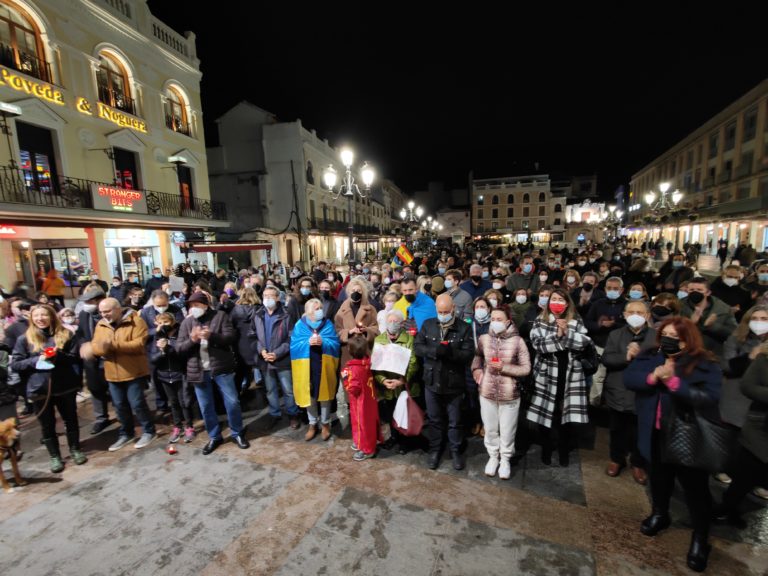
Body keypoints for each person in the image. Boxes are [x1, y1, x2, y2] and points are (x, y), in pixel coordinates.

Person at [623, 317, 722, 573]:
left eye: (675, 336)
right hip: (655, 432)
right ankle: (660, 513)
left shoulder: (704, 363)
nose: (668, 339)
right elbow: (630, 378)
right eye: (664, 334)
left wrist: (674, 383)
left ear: (688, 339)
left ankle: (700, 538)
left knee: (695, 489)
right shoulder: (650, 355)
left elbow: (708, 397)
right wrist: (654, 376)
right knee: (659, 478)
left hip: (686, 435)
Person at [10, 304, 86, 472]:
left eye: (44, 315)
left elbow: (75, 359)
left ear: (52, 316)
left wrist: (58, 355)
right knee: (47, 424)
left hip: (65, 386)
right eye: (36, 315)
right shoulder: (25, 339)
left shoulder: (66, 334)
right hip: (40, 389)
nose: (40, 319)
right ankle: (55, 456)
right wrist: (36, 360)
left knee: (71, 419)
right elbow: (16, 363)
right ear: (32, 318)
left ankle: (75, 449)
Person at [176, 292, 249, 455]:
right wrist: (192, 340)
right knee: (206, 406)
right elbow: (179, 348)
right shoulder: (187, 323)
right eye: (191, 306)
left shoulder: (220, 316)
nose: (193, 308)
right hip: (198, 371)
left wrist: (212, 336)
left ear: (205, 305)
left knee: (232, 402)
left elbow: (231, 337)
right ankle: (214, 436)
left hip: (221, 368)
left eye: (197, 305)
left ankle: (237, 432)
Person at [527, 288, 592, 466]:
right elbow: (538, 344)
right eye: (553, 298)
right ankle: (546, 447)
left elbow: (584, 342)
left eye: (560, 299)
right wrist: (558, 336)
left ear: (567, 303)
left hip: (570, 373)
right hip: (546, 373)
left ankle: (564, 449)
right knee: (546, 412)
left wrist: (567, 333)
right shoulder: (541, 320)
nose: (556, 302)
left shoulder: (575, 320)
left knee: (565, 415)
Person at [414, 293, 474, 471]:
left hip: (453, 382)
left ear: (453, 309)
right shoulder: (428, 325)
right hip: (432, 380)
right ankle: (435, 450)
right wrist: (435, 351)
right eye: (440, 311)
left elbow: (468, 354)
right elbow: (418, 346)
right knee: (434, 419)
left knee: (455, 420)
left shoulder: (463, 328)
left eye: (446, 311)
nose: (442, 314)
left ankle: (455, 450)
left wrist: (451, 353)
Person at [471, 307, 531, 479]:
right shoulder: (484, 339)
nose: (495, 322)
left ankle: (505, 460)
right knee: (490, 429)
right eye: (493, 319)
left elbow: (526, 368)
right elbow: (477, 359)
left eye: (499, 319)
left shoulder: (518, 341)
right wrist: (476, 371)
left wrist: (504, 368)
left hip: (509, 393)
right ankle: (493, 457)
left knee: (507, 430)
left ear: (508, 321)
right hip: (487, 392)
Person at [601, 299, 656, 485]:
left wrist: (639, 356)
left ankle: (638, 463)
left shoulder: (657, 337)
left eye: (640, 313)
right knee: (617, 429)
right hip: (618, 389)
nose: (635, 316)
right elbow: (607, 358)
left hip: (644, 392)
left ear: (647, 316)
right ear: (624, 315)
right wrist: (626, 356)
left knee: (640, 430)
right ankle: (616, 459)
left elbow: (662, 364)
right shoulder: (616, 334)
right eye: (631, 312)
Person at [90, 298, 156, 452]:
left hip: (134, 371)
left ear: (118, 309)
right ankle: (126, 433)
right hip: (112, 373)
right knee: (119, 406)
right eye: (101, 312)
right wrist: (100, 349)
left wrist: (112, 345)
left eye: (107, 311)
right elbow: (96, 345)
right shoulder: (101, 324)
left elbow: (139, 344)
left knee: (137, 403)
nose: (104, 315)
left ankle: (149, 430)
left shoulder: (136, 321)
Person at [715, 347, 768, 528]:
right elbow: (747, 386)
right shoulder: (763, 359)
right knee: (745, 475)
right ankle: (728, 508)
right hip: (760, 428)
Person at [290, 298, 340, 441]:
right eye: (316, 309)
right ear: (308, 311)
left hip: (323, 365)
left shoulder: (328, 324)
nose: (319, 311)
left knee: (324, 395)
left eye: (320, 308)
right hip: (306, 366)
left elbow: (335, 344)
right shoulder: (300, 325)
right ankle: (312, 424)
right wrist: (307, 343)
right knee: (309, 395)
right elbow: (294, 345)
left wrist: (323, 341)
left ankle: (325, 423)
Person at [252, 285, 301, 430]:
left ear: (277, 298)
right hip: (265, 360)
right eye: (265, 296)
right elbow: (255, 337)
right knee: (270, 389)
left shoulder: (286, 315)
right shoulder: (258, 315)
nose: (267, 299)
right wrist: (262, 351)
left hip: (282, 359)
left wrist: (277, 353)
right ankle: (274, 414)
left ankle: (293, 414)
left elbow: (291, 338)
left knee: (287, 389)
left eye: (270, 296)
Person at [372, 309, 420, 453]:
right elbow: (376, 364)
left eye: (395, 321)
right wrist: (383, 380)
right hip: (387, 385)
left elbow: (413, 363)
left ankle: (405, 442)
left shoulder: (409, 339)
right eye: (390, 321)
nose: (392, 324)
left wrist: (401, 380)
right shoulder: (379, 340)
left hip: (404, 386)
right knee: (390, 412)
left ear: (401, 324)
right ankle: (393, 437)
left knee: (403, 413)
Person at [150, 313, 194, 444]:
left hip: (179, 375)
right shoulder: (157, 338)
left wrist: (168, 348)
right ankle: (177, 426)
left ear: (173, 322)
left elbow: (181, 354)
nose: (163, 325)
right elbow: (153, 358)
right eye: (159, 322)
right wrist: (161, 351)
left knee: (184, 402)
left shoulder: (179, 335)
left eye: (166, 322)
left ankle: (189, 426)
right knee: (173, 403)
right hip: (164, 376)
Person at [341, 335, 379, 461]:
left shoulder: (354, 369)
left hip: (360, 402)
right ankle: (359, 442)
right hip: (370, 399)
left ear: (350, 351)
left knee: (362, 423)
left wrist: (345, 377)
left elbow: (353, 388)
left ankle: (367, 449)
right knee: (368, 423)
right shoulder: (366, 362)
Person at [679, 277, 737, 358]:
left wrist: (713, 326)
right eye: (691, 290)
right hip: (684, 352)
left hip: (712, 354)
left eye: (699, 290)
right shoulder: (679, 306)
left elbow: (733, 333)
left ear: (708, 292)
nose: (695, 292)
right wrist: (690, 324)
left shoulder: (723, 308)